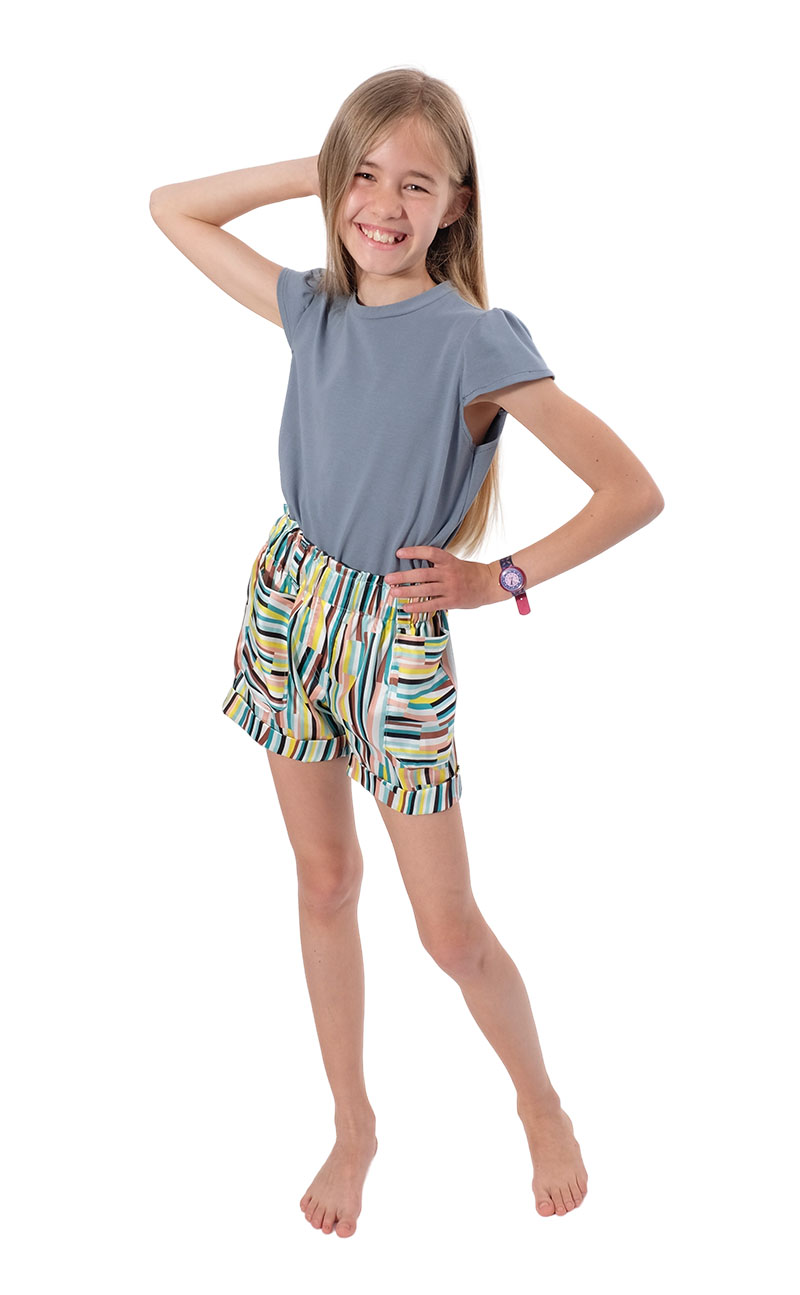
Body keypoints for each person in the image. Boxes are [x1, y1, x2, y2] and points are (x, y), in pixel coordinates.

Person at [150, 66, 664, 1239]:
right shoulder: (314, 306)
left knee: (448, 929)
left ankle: (538, 1100)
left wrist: (498, 577)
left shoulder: (473, 340)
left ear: (456, 205)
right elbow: (169, 207)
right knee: (324, 880)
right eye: (364, 177)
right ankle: (352, 1121)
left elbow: (630, 490)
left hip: (393, 632)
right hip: (291, 602)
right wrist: (322, 173)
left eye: (415, 184)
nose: (383, 205)